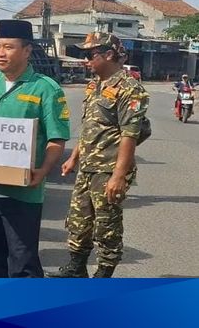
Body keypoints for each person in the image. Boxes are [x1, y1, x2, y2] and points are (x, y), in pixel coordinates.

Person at [0, 20, 70, 278]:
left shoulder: (46, 88)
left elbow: (57, 140)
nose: (0, 53)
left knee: (23, 263)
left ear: (26, 50)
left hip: (22, 194)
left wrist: (43, 171)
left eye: (8, 47)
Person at [48, 33, 149, 278]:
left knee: (107, 226)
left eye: (90, 55)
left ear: (109, 55)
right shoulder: (95, 85)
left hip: (109, 170)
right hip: (88, 167)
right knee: (79, 220)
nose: (85, 60)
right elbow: (90, 126)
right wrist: (74, 158)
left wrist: (118, 175)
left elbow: (130, 135)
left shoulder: (130, 88)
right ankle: (77, 267)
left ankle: (103, 274)